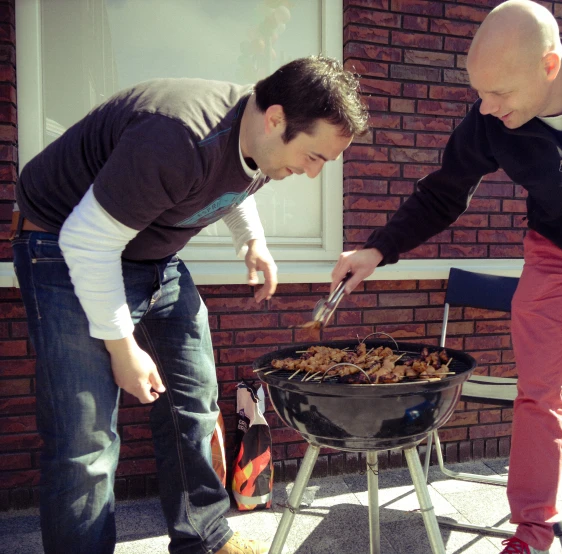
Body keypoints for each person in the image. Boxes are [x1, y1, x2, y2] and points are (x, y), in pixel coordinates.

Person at [330, 1, 562, 553]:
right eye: (480, 91)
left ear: (550, 65)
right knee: (537, 393)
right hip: (553, 250)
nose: (486, 108)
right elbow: (444, 191)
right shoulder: (492, 114)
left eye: (501, 93)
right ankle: (531, 529)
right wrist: (377, 248)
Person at [13, 55, 368, 554]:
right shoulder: (176, 136)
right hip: (64, 250)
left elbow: (234, 176)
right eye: (314, 158)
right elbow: (87, 241)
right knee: (84, 443)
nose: (313, 174)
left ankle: (203, 538)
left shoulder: (261, 136)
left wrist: (252, 241)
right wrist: (121, 347)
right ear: (276, 119)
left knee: (194, 405)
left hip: (155, 257)